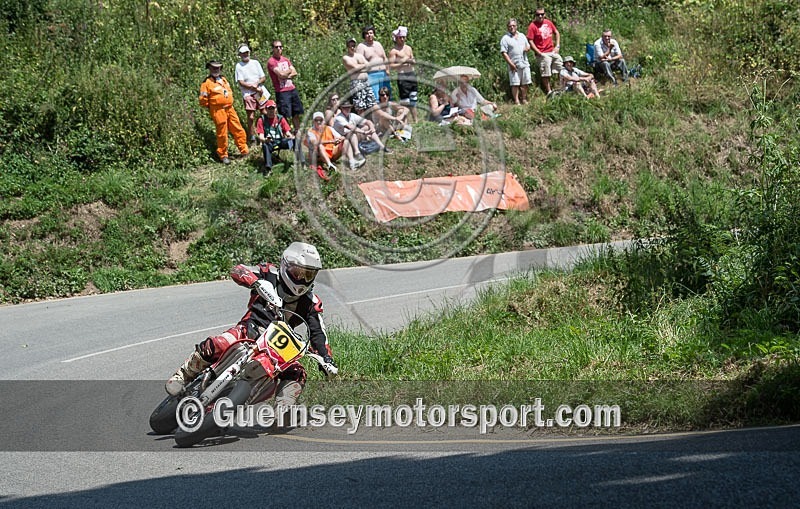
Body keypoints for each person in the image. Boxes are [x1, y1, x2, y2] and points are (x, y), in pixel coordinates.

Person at [165, 242, 336, 411]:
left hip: (277, 349)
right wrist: (255, 282)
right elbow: (238, 270)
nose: (302, 279)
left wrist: (326, 360)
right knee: (220, 343)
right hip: (249, 330)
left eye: (308, 275)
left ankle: (283, 410)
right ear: (286, 265)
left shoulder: (311, 302)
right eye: (298, 273)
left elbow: (318, 333)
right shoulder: (269, 274)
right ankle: (184, 374)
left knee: (297, 372)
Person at [198, 60, 249, 165]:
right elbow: (203, 100)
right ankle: (223, 155)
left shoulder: (224, 79)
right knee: (222, 133)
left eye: (218, 68)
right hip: (218, 110)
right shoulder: (206, 83)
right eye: (213, 68)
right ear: (209, 69)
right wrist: (213, 107)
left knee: (238, 129)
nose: (216, 70)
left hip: (230, 108)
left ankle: (244, 150)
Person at [267, 40, 304, 133]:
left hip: (292, 89)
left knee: (296, 112)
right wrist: (288, 71)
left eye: (280, 47)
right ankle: (286, 133)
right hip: (282, 91)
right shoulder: (271, 62)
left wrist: (285, 74)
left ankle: (297, 131)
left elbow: (294, 72)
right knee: (284, 114)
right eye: (276, 47)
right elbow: (281, 75)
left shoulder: (286, 59)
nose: (279, 49)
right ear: (273, 49)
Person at [304, 111, 353, 180]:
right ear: (313, 121)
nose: (318, 122)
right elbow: (315, 142)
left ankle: (352, 161)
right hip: (318, 156)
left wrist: (339, 139)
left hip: (331, 153)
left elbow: (341, 137)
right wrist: (331, 141)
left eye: (320, 120)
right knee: (320, 145)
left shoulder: (328, 128)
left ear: (323, 121)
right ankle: (329, 165)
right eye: (316, 120)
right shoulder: (310, 131)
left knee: (346, 141)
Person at [234, 44, 267, 144]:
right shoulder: (239, 66)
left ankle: (265, 133)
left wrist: (257, 84)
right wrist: (252, 87)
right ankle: (252, 137)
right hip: (248, 94)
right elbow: (240, 82)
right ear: (240, 54)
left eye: (246, 52)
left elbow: (263, 77)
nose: (245, 54)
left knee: (264, 112)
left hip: (260, 92)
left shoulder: (255, 63)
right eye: (243, 53)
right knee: (251, 116)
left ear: (249, 52)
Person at [527, 7, 563, 97]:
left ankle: (559, 87)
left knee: (560, 66)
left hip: (552, 51)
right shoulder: (532, 26)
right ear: (535, 15)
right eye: (538, 14)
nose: (540, 16)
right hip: (542, 53)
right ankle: (549, 91)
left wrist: (557, 45)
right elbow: (530, 40)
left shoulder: (548, 22)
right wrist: (538, 52)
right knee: (546, 72)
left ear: (544, 14)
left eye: (542, 14)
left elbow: (556, 32)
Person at [388, 26, 418, 122]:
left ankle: (416, 120)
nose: (402, 39)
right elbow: (391, 66)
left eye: (403, 37)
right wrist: (403, 62)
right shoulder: (394, 51)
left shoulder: (408, 48)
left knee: (413, 98)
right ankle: (404, 120)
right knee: (405, 100)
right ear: (396, 38)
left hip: (411, 73)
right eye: (400, 37)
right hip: (402, 75)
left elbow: (413, 58)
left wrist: (412, 61)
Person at [256, 99, 295, 173]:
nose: (271, 111)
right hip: (270, 143)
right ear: (266, 110)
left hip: (280, 142)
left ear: (276, 109)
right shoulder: (262, 120)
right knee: (265, 145)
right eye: (269, 109)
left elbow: (287, 132)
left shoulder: (280, 118)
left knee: (294, 141)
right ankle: (268, 168)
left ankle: (300, 162)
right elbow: (260, 136)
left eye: (273, 108)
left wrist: (291, 137)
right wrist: (265, 140)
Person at [357, 26, 391, 104]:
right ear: (364, 35)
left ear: (374, 34)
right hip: (371, 75)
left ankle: (387, 111)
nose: (369, 35)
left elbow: (384, 58)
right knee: (375, 98)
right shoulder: (361, 46)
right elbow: (359, 62)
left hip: (383, 73)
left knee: (386, 95)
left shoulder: (378, 44)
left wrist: (387, 70)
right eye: (367, 33)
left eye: (371, 33)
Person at [500, 18, 531, 104]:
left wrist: (527, 49)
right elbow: (504, 53)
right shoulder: (505, 38)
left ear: (516, 26)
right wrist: (511, 64)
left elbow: (528, 46)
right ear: (507, 27)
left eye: (513, 25)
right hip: (514, 64)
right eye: (510, 26)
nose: (512, 27)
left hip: (524, 63)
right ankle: (516, 101)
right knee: (515, 83)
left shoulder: (522, 35)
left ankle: (524, 99)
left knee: (525, 82)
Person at [342, 37, 376, 115]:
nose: (352, 47)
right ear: (347, 47)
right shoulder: (346, 58)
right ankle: (361, 121)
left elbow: (369, 66)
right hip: (356, 83)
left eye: (354, 45)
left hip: (366, 82)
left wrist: (359, 68)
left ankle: (370, 121)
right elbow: (355, 67)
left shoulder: (360, 56)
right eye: (350, 46)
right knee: (360, 107)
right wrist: (363, 66)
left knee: (371, 104)